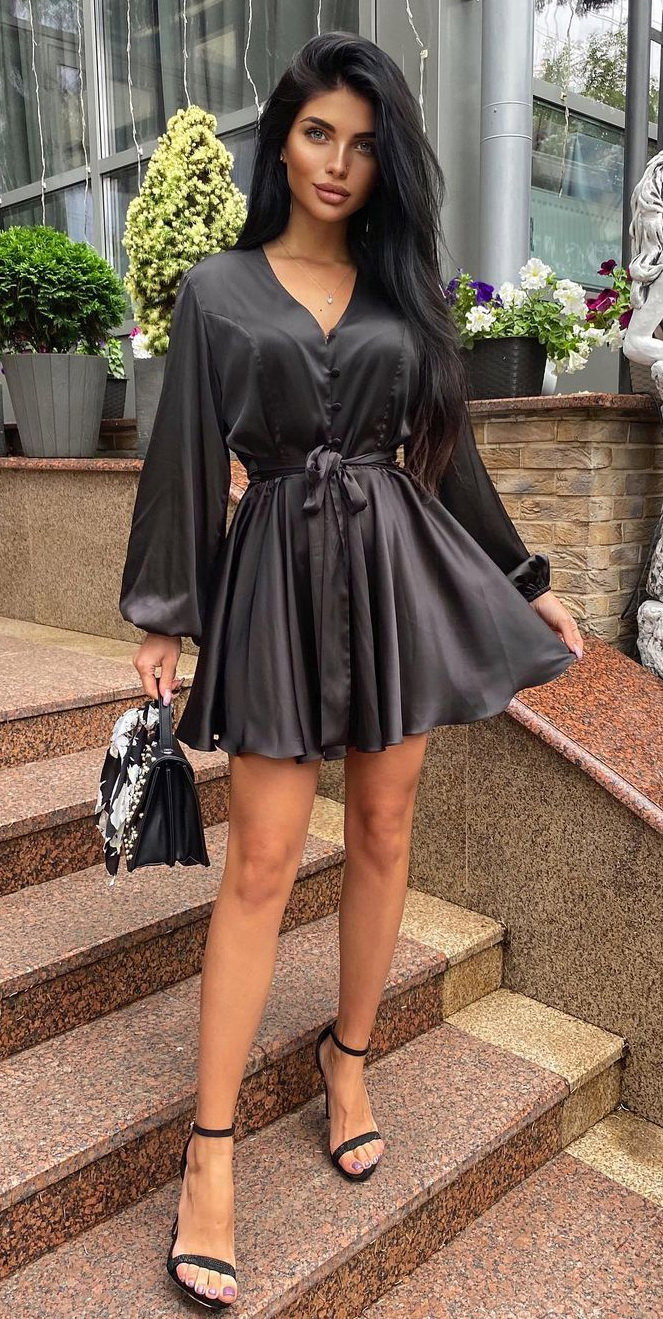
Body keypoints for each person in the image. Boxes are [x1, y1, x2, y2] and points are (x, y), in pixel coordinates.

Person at [118, 31, 584, 1311]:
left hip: (394, 569)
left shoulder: (402, 290)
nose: (339, 161)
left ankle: (349, 1055)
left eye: (366, 143)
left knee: (384, 825)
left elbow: (449, 447)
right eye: (319, 133)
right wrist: (162, 617)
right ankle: (210, 1151)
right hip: (273, 569)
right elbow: (180, 454)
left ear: (390, 163)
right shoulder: (217, 290)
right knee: (265, 859)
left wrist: (524, 579)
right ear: (282, 142)